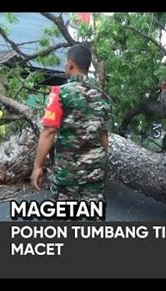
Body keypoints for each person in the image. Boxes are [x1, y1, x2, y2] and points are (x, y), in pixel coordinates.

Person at [30, 44, 112, 202]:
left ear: (71, 63)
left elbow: (48, 132)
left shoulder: (60, 93)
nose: (65, 66)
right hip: (94, 174)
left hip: (68, 175)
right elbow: (104, 139)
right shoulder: (102, 97)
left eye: (65, 62)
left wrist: (37, 167)